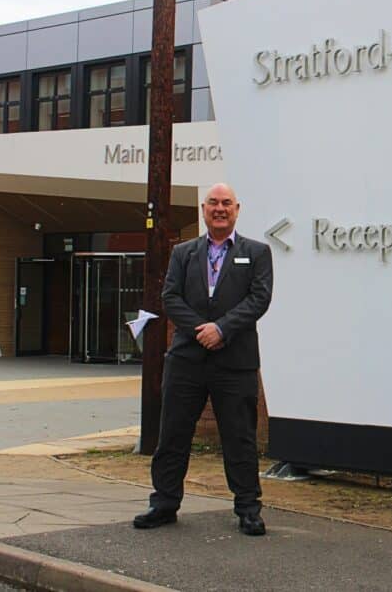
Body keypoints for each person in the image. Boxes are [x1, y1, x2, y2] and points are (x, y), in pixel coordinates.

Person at [133, 183, 274, 536]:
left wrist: (222, 329)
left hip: (235, 361)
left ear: (237, 209)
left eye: (227, 203)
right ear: (203, 209)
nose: (220, 208)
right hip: (187, 361)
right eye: (214, 203)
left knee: (239, 438)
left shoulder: (257, 253)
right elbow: (170, 297)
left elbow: (259, 299)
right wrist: (203, 329)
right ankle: (164, 503)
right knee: (173, 435)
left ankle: (247, 509)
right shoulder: (183, 253)